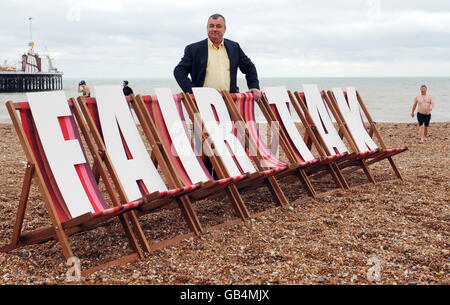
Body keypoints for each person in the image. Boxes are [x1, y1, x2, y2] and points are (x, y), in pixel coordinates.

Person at [173, 13, 261, 101]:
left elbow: (249, 67)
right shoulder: (193, 49)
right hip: (203, 102)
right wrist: (193, 91)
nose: (214, 29)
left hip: (229, 102)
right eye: (211, 26)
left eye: (218, 26)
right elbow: (179, 71)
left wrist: (254, 87)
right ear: (207, 28)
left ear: (224, 29)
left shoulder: (234, 47)